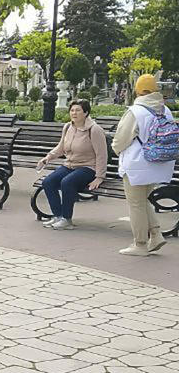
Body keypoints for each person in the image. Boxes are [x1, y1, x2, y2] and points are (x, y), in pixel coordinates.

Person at [112, 73, 176, 256]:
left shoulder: (136, 111)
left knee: (136, 204)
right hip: (159, 163)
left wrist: (116, 150)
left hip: (136, 166)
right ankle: (155, 235)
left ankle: (139, 244)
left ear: (138, 90)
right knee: (142, 200)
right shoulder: (166, 110)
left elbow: (120, 140)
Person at [36, 98, 107, 229]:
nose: (74, 113)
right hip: (69, 165)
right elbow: (61, 147)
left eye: (78, 110)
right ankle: (58, 216)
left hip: (88, 167)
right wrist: (48, 157)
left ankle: (67, 219)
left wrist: (99, 177)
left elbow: (102, 154)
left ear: (85, 113)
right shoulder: (68, 126)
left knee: (67, 182)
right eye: (72, 110)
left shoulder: (94, 130)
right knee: (48, 182)